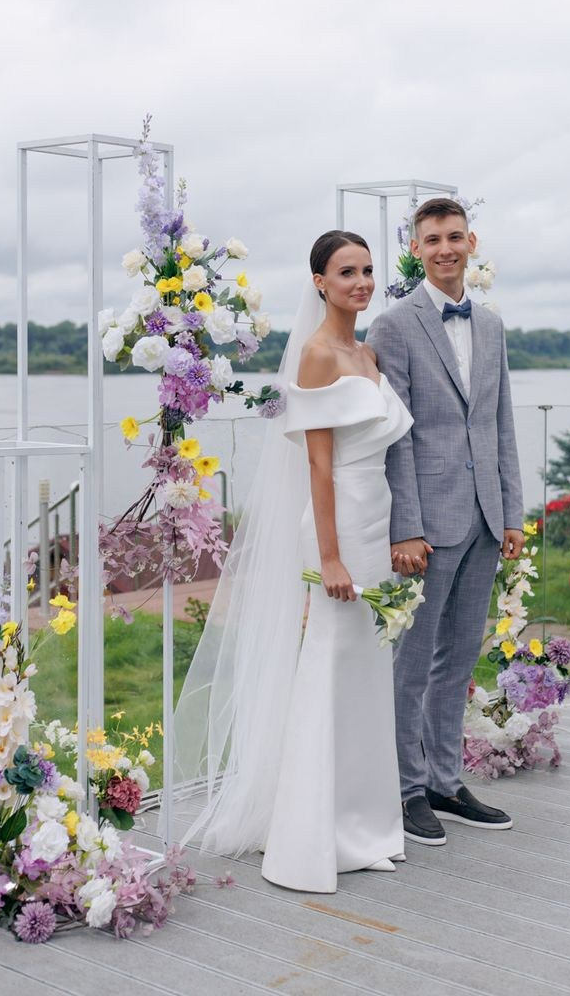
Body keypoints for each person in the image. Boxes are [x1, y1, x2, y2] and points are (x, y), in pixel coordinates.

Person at [171, 231, 413, 892]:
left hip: (377, 517)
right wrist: (329, 557)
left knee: (366, 671)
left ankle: (361, 826)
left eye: (367, 270)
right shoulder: (315, 356)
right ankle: (309, 839)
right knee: (330, 662)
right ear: (319, 282)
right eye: (346, 272)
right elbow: (318, 462)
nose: (360, 282)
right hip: (337, 527)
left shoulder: (366, 353)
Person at [367, 197, 524, 846]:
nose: (446, 249)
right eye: (433, 239)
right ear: (417, 247)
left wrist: (512, 514)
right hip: (427, 524)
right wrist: (406, 526)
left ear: (472, 241)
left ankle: (444, 779)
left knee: (459, 658)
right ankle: (404, 789)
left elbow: (500, 425)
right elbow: (394, 438)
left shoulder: (490, 325)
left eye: (455, 237)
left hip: (486, 517)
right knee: (412, 663)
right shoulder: (393, 327)